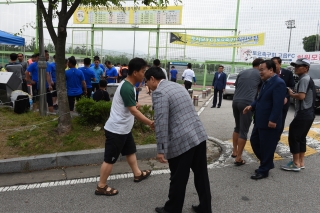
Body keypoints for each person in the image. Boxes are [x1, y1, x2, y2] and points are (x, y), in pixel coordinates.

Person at [145, 67, 212, 213]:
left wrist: (161, 149)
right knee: (201, 175)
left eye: (146, 82)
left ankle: (173, 209)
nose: (147, 86)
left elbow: (162, 122)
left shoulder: (159, 92)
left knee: (178, 178)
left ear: (152, 79)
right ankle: (205, 207)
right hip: (198, 135)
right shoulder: (177, 86)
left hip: (182, 140)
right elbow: (178, 111)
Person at [95, 57, 153, 197]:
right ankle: (101, 186)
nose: (144, 74)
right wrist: (150, 123)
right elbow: (133, 111)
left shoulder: (128, 86)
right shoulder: (127, 87)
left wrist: (135, 104)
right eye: (143, 71)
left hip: (124, 129)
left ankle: (137, 174)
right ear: (135, 72)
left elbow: (130, 106)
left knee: (130, 151)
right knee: (110, 159)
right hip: (117, 130)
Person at [243, 60, 286, 180]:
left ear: (271, 70)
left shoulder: (278, 83)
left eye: (262, 70)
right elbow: (260, 98)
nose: (259, 72)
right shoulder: (266, 82)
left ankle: (264, 170)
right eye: (259, 70)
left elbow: (278, 105)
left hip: (269, 122)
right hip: (260, 120)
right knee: (254, 141)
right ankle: (267, 163)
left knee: (267, 146)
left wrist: (273, 120)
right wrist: (252, 106)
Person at [281, 58, 315, 171]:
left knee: (294, 136)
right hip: (309, 113)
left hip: (303, 113)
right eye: (295, 66)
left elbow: (301, 96)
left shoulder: (304, 79)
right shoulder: (306, 78)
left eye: (299, 66)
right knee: (301, 138)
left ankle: (295, 164)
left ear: (306, 68)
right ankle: (300, 162)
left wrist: (291, 93)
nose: (296, 68)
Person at [232, 58, 264, 165]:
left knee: (237, 127)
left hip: (235, 101)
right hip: (247, 103)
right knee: (244, 130)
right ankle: (239, 158)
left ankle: (234, 151)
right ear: (259, 65)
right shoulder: (260, 74)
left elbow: (237, 86)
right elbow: (261, 90)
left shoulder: (242, 72)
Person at [271, 57, 295, 141]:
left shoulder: (288, 73)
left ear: (280, 64)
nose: (273, 66)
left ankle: (277, 138)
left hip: (283, 102)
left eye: (275, 64)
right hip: (271, 102)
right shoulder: (269, 73)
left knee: (280, 121)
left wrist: (286, 97)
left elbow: (291, 87)